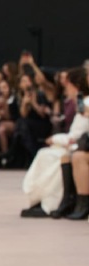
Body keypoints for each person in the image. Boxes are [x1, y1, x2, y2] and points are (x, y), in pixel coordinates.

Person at [21, 69, 89, 217]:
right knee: (47, 154)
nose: (65, 87)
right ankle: (45, 200)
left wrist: (57, 139)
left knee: (54, 156)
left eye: (68, 84)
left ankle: (52, 203)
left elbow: (78, 134)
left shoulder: (84, 103)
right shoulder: (79, 102)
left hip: (78, 143)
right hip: (76, 141)